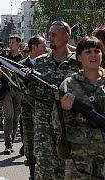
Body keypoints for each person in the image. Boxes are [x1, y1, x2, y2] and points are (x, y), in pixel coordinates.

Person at [29, 21, 80, 180]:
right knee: (44, 171)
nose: (50, 38)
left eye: (54, 34)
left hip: (69, 126)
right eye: (49, 34)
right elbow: (30, 96)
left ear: (67, 36)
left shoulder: (77, 62)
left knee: (69, 171)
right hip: (44, 127)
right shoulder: (40, 62)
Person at [54, 36, 105, 179]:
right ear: (79, 58)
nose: (93, 55)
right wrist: (63, 110)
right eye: (88, 52)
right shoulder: (69, 85)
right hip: (79, 160)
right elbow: (56, 125)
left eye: (97, 51)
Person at [19, 35, 48, 180]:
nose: (46, 48)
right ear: (34, 47)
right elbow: (17, 86)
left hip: (45, 109)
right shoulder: (21, 65)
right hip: (28, 108)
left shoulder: (48, 63)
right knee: (30, 140)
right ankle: (32, 172)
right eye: (43, 45)